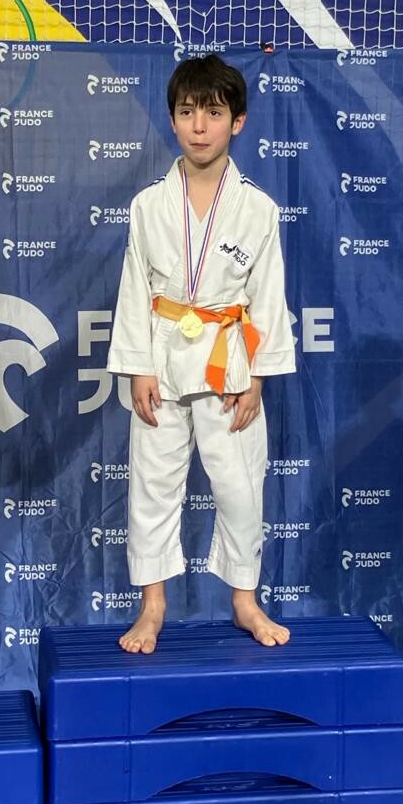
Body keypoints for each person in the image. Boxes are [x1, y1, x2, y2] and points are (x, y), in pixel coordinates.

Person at [106, 54, 295, 654]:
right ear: (172, 119)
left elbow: (268, 297)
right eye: (187, 112)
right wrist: (137, 366)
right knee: (153, 485)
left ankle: (244, 600)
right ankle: (152, 605)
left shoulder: (258, 208)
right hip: (162, 354)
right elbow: (133, 289)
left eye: (213, 113)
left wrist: (258, 378)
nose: (199, 126)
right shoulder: (148, 204)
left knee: (239, 486)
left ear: (237, 122)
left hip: (228, 356)